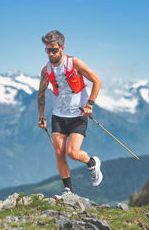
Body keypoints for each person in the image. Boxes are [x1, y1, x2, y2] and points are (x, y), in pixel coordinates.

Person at [37, 30, 103, 199]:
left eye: (54, 50)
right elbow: (41, 94)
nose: (51, 53)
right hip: (58, 115)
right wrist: (42, 117)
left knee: (72, 152)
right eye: (47, 50)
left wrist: (90, 104)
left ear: (62, 48)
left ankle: (92, 163)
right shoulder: (46, 70)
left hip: (78, 115)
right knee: (59, 153)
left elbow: (97, 81)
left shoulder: (75, 63)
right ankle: (69, 191)